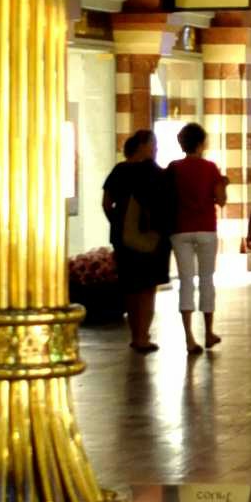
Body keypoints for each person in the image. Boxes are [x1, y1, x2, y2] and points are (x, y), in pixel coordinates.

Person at [101, 127, 175, 355]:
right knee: (147, 288)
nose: (156, 149)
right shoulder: (154, 172)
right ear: (143, 146)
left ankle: (136, 335)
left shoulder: (119, 171)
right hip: (153, 238)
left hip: (123, 239)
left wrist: (118, 224)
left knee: (131, 287)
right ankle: (143, 336)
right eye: (154, 144)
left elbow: (106, 203)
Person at [165, 120, 229, 356]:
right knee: (206, 279)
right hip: (205, 228)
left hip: (180, 229)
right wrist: (223, 185)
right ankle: (209, 332)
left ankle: (189, 337)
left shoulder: (173, 168)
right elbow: (221, 201)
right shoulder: (210, 168)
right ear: (201, 143)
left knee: (185, 281)